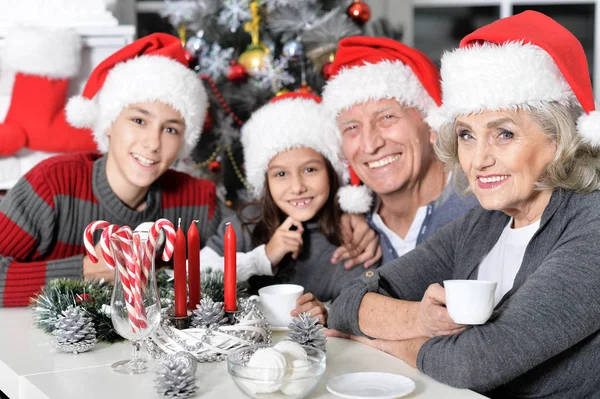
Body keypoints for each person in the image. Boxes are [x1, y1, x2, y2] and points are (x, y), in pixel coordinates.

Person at [327, 11, 600, 399]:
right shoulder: (485, 223)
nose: (478, 159)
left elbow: (476, 363)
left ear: (559, 139)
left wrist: (393, 343)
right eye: (467, 135)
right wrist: (421, 318)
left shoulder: (591, 224)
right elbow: (349, 300)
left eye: (504, 133)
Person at [0, 33, 222, 307]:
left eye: (170, 129)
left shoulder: (198, 199)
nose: (153, 143)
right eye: (139, 120)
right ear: (108, 123)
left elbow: (251, 244)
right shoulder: (51, 186)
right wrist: (83, 270)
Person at [201, 93, 379, 325]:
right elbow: (190, 279)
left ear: (332, 172)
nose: (297, 187)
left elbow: (367, 304)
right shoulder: (246, 224)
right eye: (281, 174)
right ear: (265, 181)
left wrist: (328, 314)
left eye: (310, 170)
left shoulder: (352, 236)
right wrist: (262, 258)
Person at [322, 36, 479, 265]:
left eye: (387, 117)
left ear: (431, 123)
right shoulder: (346, 231)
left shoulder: (483, 203)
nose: (370, 145)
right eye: (352, 127)